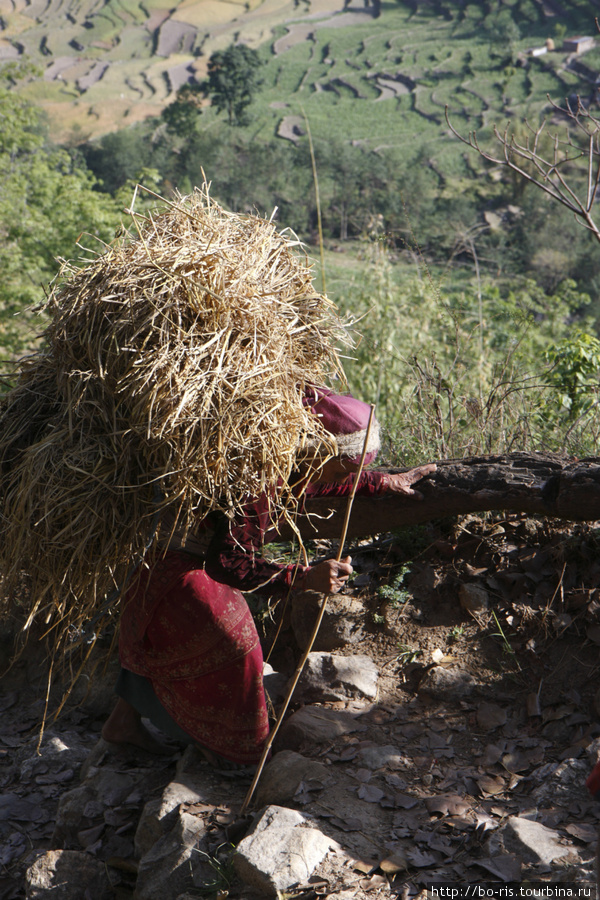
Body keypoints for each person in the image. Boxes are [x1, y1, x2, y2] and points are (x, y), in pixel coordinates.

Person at [102, 390, 436, 766]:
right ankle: (237, 754)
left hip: (165, 564)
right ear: (319, 452)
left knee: (169, 641)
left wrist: (382, 483)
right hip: (173, 572)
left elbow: (322, 483)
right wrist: (305, 577)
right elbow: (228, 563)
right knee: (238, 645)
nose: (344, 476)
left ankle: (122, 723)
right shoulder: (261, 478)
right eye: (344, 468)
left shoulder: (293, 460)